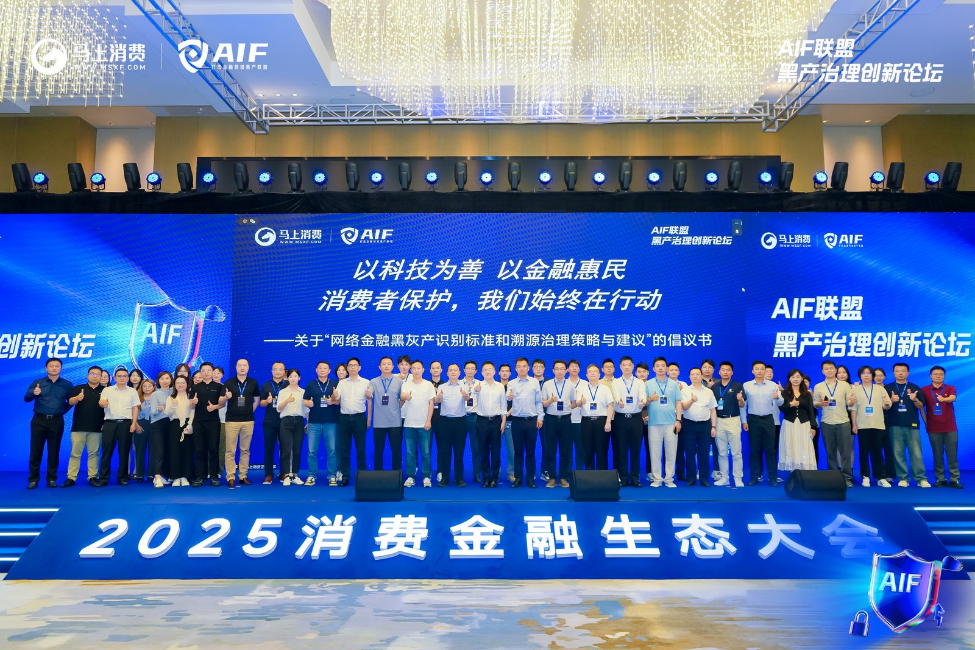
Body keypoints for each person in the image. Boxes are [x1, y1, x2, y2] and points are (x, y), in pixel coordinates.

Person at [25, 358, 73, 489]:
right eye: (51, 366)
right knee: (36, 451)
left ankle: (51, 478)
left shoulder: (67, 385)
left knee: (54, 451)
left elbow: (71, 401)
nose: (54, 368)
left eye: (57, 366)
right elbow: (26, 398)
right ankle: (33, 479)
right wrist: (33, 393)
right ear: (46, 368)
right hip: (39, 420)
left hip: (56, 421)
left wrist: (61, 411)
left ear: (61, 368)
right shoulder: (38, 383)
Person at [813, 360, 857, 488]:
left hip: (843, 422)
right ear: (823, 371)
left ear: (835, 370)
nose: (829, 370)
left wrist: (851, 401)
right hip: (826, 422)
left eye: (831, 368)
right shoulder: (819, 386)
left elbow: (849, 402)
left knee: (845, 452)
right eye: (826, 369)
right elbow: (815, 403)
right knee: (830, 452)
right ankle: (833, 478)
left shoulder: (845, 385)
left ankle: (847, 478)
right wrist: (820, 404)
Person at [885, 363, 929, 488]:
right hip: (894, 425)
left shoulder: (914, 387)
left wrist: (914, 399)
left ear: (908, 373)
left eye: (903, 371)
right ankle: (903, 478)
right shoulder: (888, 388)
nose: (900, 373)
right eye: (897, 371)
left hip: (912, 425)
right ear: (893, 373)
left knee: (916, 453)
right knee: (898, 453)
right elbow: (884, 407)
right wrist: (891, 401)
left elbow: (920, 406)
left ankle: (920, 478)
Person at [329, 356, 371, 486]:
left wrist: (369, 419)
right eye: (350, 365)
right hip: (344, 419)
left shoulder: (366, 382)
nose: (353, 367)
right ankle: (345, 476)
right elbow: (336, 398)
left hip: (359, 418)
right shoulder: (342, 383)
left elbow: (369, 401)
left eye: (355, 365)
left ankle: (362, 476)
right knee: (344, 449)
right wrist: (335, 395)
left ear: (359, 367)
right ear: (347, 368)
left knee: (361, 448)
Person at [741, 360, 784, 486]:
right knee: (754, 450)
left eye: (762, 369)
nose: (759, 371)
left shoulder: (772, 385)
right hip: (753, 419)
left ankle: (772, 477)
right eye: (757, 369)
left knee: (770, 450)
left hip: (769, 419)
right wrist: (744, 421)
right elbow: (743, 405)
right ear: (752, 371)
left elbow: (780, 403)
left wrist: (777, 397)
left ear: (765, 371)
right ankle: (754, 477)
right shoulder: (746, 385)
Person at [95, 367, 140, 487]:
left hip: (126, 424)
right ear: (114, 378)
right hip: (110, 424)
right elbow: (102, 402)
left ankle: (122, 478)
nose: (122, 378)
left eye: (124, 376)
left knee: (124, 452)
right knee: (107, 452)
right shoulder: (107, 390)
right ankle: (103, 479)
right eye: (119, 376)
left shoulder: (132, 391)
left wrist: (134, 423)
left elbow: (135, 408)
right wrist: (102, 403)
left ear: (128, 378)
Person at [921, 366, 962, 489]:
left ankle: (954, 479)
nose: (938, 376)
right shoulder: (924, 390)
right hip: (933, 427)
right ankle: (940, 478)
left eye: (941, 374)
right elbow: (921, 406)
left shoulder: (950, 388)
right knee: (937, 455)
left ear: (944, 376)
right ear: (931, 376)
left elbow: (953, 398)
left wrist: (944, 399)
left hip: (950, 427)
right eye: (935, 374)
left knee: (952, 454)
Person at [851, 366, 892, 488]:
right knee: (864, 452)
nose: (866, 375)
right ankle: (865, 476)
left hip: (878, 425)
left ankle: (880, 477)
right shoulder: (856, 390)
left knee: (878, 452)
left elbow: (887, 405)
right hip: (862, 425)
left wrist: (886, 404)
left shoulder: (880, 389)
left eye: (869, 373)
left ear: (872, 376)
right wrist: (854, 424)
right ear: (860, 376)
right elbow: (853, 409)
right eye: (863, 373)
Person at [645, 357, 682, 488]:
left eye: (662, 365)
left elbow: (678, 402)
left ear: (666, 368)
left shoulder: (674, 384)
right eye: (657, 366)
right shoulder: (648, 384)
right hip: (654, 423)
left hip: (671, 423)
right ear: (653, 369)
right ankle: (657, 479)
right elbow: (644, 403)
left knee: (671, 452)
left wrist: (678, 420)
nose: (660, 368)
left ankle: (669, 479)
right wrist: (650, 398)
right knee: (655, 452)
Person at [63, 365, 103, 487]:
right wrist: (77, 398)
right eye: (92, 373)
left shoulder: (105, 390)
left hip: (97, 428)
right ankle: (71, 478)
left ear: (101, 376)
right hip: (78, 427)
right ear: (87, 375)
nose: (95, 376)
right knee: (75, 454)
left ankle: (92, 477)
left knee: (94, 454)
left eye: (97, 374)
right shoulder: (79, 388)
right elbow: (70, 402)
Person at [508, 357, 544, 488]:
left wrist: (540, 417)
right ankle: (518, 478)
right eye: (519, 366)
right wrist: (509, 396)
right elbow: (508, 397)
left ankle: (530, 478)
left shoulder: (534, 382)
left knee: (530, 451)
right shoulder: (511, 383)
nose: (521, 368)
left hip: (531, 421)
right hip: (517, 421)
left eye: (524, 366)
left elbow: (538, 401)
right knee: (518, 451)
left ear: (528, 368)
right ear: (516, 369)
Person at [224, 358, 260, 488]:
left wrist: (250, 410)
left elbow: (257, 399)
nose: (242, 367)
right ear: (236, 367)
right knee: (230, 450)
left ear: (248, 367)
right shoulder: (228, 382)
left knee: (245, 450)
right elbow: (222, 400)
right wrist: (226, 397)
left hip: (248, 420)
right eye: (240, 365)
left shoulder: (253, 382)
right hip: (232, 420)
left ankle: (243, 475)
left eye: (245, 365)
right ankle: (230, 476)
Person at [611, 356, 647, 487]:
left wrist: (642, 401)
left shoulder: (639, 382)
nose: (626, 367)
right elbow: (616, 393)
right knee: (622, 449)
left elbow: (642, 394)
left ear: (632, 367)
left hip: (636, 418)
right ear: (620, 367)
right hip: (620, 419)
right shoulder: (616, 382)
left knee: (635, 449)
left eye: (629, 365)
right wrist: (618, 400)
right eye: (624, 365)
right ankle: (623, 477)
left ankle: (635, 477)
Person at [302, 360, 338, 486]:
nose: (322, 370)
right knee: (312, 451)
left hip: (331, 422)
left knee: (332, 450)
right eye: (320, 368)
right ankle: (311, 475)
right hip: (314, 423)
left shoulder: (335, 384)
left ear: (329, 370)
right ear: (316, 370)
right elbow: (304, 401)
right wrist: (308, 403)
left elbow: (340, 401)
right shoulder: (311, 384)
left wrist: (333, 401)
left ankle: (332, 476)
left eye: (325, 368)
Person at [680, 368, 717, 487]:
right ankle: (691, 478)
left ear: (702, 376)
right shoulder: (685, 390)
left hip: (705, 425)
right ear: (689, 377)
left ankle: (704, 478)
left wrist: (713, 426)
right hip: (689, 424)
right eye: (692, 374)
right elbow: (684, 407)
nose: (695, 376)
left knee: (704, 452)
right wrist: (692, 400)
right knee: (689, 452)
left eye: (697, 374)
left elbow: (713, 410)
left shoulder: (708, 392)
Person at [401, 360, 436, 487]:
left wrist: (428, 420)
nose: (416, 370)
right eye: (414, 368)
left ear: (423, 370)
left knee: (426, 453)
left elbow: (431, 403)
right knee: (410, 453)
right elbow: (402, 395)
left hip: (424, 425)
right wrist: (405, 397)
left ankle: (426, 476)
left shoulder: (428, 385)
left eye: (418, 368)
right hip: (409, 425)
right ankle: (411, 477)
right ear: (411, 370)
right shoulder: (406, 384)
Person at [574, 364, 615, 471]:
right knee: (588, 450)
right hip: (586, 422)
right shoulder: (581, 388)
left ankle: (602, 475)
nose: (592, 373)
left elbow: (610, 405)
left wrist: (608, 422)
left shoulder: (605, 389)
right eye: (590, 371)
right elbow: (577, 403)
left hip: (601, 421)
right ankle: (589, 475)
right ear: (586, 375)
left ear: (599, 374)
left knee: (602, 450)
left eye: (595, 371)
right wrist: (581, 401)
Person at [192, 362, 226, 487]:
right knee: (199, 450)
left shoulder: (219, 386)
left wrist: (214, 407)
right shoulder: (195, 387)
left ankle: (214, 476)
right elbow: (191, 405)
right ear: (200, 372)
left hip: (213, 422)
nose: (206, 373)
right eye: (203, 370)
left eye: (208, 370)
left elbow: (222, 404)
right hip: (198, 422)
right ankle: (199, 477)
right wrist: (193, 402)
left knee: (213, 449)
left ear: (212, 372)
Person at [473, 361, 507, 488]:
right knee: (483, 450)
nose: (488, 372)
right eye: (485, 370)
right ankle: (486, 478)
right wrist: (475, 390)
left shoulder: (500, 386)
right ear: (482, 373)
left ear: (494, 372)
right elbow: (471, 395)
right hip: (481, 420)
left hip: (496, 420)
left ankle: (495, 478)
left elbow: (503, 405)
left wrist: (503, 421)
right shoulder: (478, 385)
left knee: (496, 450)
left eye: (490, 369)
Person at [711, 361, 745, 487]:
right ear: (719, 372)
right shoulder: (714, 387)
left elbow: (742, 405)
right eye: (723, 370)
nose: (725, 372)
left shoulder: (738, 385)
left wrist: (740, 399)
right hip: (719, 421)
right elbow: (712, 407)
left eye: (728, 370)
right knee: (722, 452)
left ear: (732, 372)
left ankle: (738, 478)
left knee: (736, 452)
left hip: (733, 419)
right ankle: (724, 477)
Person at [541, 360, 573, 488]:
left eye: (562, 369)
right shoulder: (547, 384)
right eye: (557, 369)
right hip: (551, 419)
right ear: (553, 370)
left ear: (566, 371)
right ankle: (553, 478)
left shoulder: (570, 385)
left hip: (566, 420)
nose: (559, 371)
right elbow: (543, 403)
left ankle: (563, 477)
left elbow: (573, 403)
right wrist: (550, 400)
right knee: (551, 449)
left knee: (565, 449)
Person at [778, 369, 818, 471]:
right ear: (789, 379)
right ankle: (793, 470)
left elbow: (811, 410)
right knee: (791, 446)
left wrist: (813, 426)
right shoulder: (784, 393)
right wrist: (790, 404)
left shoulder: (807, 394)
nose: (795, 379)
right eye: (793, 377)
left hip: (804, 424)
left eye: (798, 377)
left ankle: (804, 470)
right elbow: (782, 409)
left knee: (804, 446)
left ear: (801, 379)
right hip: (789, 424)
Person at [435, 363, 469, 486]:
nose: (453, 372)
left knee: (459, 452)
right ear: (447, 373)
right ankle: (445, 478)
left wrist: (466, 395)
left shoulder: (464, 385)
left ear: (459, 373)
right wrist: (438, 398)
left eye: (455, 370)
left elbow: (468, 399)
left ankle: (459, 478)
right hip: (445, 422)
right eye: (451, 370)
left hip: (460, 422)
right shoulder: (442, 387)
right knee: (445, 451)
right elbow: (437, 401)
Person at [370, 357, 404, 471]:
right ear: (379, 367)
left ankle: (397, 475)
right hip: (379, 422)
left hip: (395, 422)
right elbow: (369, 395)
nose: (386, 366)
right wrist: (368, 394)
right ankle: (378, 475)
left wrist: (395, 408)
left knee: (396, 450)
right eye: (384, 364)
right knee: (378, 450)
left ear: (393, 367)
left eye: (389, 364)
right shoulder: (373, 382)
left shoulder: (399, 382)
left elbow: (402, 399)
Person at [276, 368, 307, 486]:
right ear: (287, 378)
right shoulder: (283, 392)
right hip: (286, 422)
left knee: (297, 450)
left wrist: (308, 422)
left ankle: (295, 475)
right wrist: (287, 400)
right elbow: (278, 408)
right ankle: (286, 475)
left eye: (295, 376)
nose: (293, 379)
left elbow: (306, 409)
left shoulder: (303, 392)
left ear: (299, 378)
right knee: (286, 450)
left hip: (299, 421)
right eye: (290, 376)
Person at [165, 376, 196, 486]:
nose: (180, 385)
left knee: (187, 451)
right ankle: (176, 477)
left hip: (188, 424)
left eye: (183, 382)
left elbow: (193, 412)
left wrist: (190, 425)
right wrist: (173, 405)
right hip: (174, 425)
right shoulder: (170, 397)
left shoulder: (190, 396)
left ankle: (185, 476)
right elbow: (167, 413)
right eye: (178, 383)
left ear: (187, 384)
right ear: (174, 385)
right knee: (174, 451)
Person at [260, 362, 288, 484]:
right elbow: (261, 403)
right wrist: (267, 401)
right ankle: (268, 474)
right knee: (269, 449)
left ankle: (283, 473)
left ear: (284, 371)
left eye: (280, 369)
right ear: (272, 371)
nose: (277, 371)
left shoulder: (288, 385)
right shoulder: (266, 386)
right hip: (270, 421)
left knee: (285, 449)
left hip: (285, 422)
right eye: (275, 369)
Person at [148, 371, 172, 488]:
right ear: (158, 381)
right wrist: (159, 409)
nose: (165, 380)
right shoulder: (155, 394)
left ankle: (164, 475)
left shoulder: (174, 392)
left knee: (168, 451)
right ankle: (157, 477)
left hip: (171, 424)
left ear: (171, 379)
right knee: (159, 451)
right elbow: (152, 412)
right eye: (162, 378)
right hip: (158, 424)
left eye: (167, 378)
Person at [462, 360, 483, 483]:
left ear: (476, 371)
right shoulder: (458, 383)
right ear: (464, 370)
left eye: (472, 368)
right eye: (467, 368)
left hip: (475, 417)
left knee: (476, 447)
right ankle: (459, 475)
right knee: (459, 447)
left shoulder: (481, 384)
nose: (470, 370)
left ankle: (477, 474)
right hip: (461, 417)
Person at [874, 367, 896, 481]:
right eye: (876, 375)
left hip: (888, 420)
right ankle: (878, 474)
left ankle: (889, 474)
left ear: (884, 377)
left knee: (889, 448)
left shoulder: (890, 388)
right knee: (876, 449)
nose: (878, 377)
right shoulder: (869, 389)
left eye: (880, 375)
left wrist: (891, 401)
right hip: (873, 421)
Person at [668, 362, 687, 480]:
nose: (673, 372)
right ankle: (667, 472)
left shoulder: (684, 384)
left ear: (679, 372)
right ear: (667, 371)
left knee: (680, 446)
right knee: (667, 447)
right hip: (667, 417)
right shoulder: (664, 384)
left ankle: (680, 472)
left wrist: (679, 391)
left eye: (676, 370)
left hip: (680, 417)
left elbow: (685, 402)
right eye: (671, 370)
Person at [134, 378, 156, 482]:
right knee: (139, 450)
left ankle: (151, 474)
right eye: (144, 386)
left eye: (149, 386)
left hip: (154, 424)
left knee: (153, 450)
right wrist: (136, 425)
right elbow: (132, 413)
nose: (147, 388)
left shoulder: (157, 398)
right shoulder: (137, 399)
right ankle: (139, 474)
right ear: (141, 388)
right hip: (140, 424)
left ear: (153, 387)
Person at [532, 358, 550, 481]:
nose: (538, 369)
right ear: (532, 369)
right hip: (531, 416)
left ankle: (545, 470)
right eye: (536, 367)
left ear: (544, 369)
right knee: (530, 446)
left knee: (546, 445)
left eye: (541, 367)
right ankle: (531, 471)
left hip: (547, 417)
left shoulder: (549, 383)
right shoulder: (528, 382)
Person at [499, 363, 516, 483]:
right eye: (502, 371)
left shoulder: (514, 386)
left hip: (511, 420)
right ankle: (496, 473)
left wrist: (508, 413)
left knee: (512, 450)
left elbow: (519, 401)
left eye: (507, 371)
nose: (505, 373)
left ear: (510, 373)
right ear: (499, 373)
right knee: (495, 449)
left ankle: (511, 473)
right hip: (497, 421)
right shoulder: (495, 386)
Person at [567, 360, 584, 473]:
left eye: (576, 366)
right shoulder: (564, 383)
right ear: (567, 369)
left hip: (581, 421)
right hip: (566, 421)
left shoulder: (585, 384)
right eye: (572, 366)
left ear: (579, 369)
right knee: (567, 449)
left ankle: (579, 472)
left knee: (580, 449)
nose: (574, 368)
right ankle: (567, 473)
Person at [212, 366, 228, 478]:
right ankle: (209, 470)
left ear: (222, 375)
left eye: (219, 373)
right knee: (210, 446)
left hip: (223, 420)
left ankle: (219, 471)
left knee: (222, 448)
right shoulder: (207, 387)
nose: (216, 375)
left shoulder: (225, 388)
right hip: (210, 421)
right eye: (214, 372)